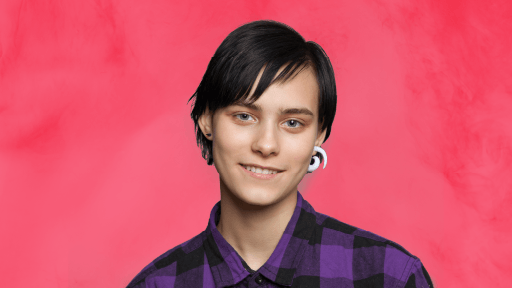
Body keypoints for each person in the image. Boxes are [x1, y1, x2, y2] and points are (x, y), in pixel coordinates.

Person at [126, 20, 434, 288]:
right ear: (207, 119)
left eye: (292, 123)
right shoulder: (158, 283)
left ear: (320, 133)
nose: (267, 145)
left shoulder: (388, 277)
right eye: (244, 116)